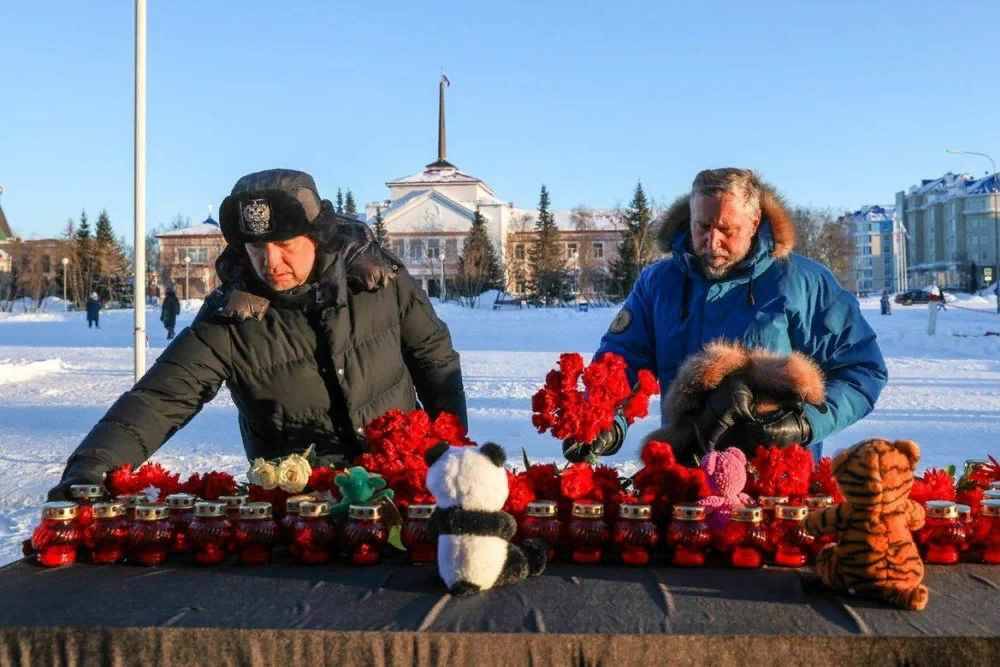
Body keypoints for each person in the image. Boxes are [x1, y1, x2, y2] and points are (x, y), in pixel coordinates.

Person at [49, 169, 466, 499]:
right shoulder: (230, 319)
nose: (270, 262)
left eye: (284, 244)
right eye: (255, 248)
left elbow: (435, 360)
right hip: (300, 505)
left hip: (404, 483)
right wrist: (91, 467)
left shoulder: (380, 282)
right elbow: (160, 399)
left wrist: (452, 449)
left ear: (317, 237)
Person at [568, 168, 887, 465]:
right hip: (685, 482)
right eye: (703, 227)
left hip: (777, 482)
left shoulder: (803, 283)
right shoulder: (658, 284)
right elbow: (621, 363)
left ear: (754, 221)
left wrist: (805, 424)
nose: (712, 241)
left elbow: (862, 368)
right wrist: (603, 421)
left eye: (726, 229)